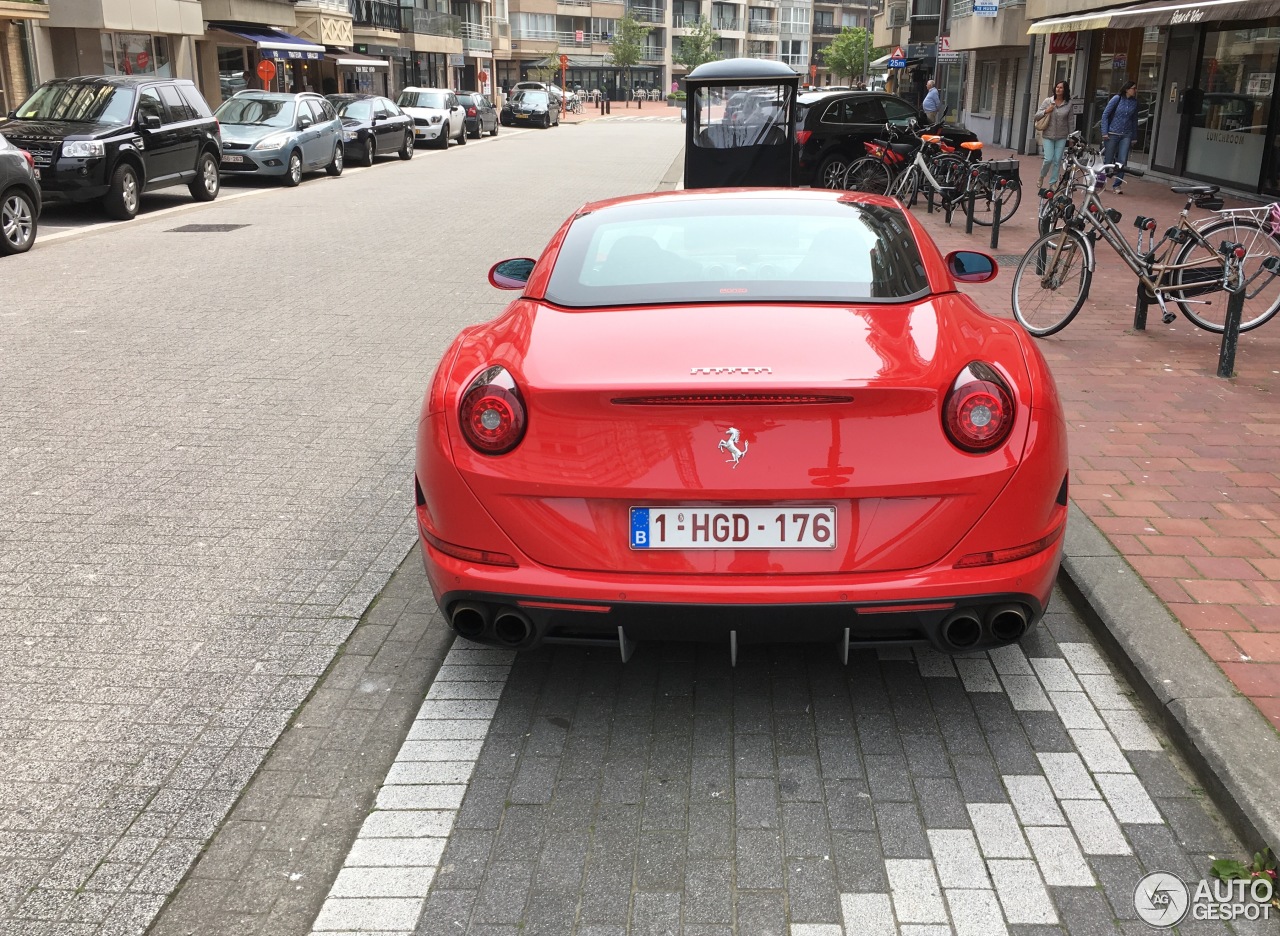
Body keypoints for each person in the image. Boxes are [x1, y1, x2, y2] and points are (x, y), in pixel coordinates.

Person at [1101, 81, 1140, 194]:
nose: (1135, 90)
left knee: (1122, 160)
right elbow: (1105, 115)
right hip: (1112, 133)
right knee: (1108, 160)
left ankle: (1117, 185)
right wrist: (1104, 132)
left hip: (1126, 134)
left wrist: (1134, 136)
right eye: (1133, 88)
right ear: (1127, 89)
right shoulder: (1117, 99)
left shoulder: (1134, 102)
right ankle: (1101, 181)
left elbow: (1134, 120)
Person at [1036, 80, 1074, 189]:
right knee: (1048, 159)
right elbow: (1036, 116)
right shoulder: (1048, 101)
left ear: (1065, 90)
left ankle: (1053, 183)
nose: (1058, 89)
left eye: (1061, 88)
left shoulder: (1069, 104)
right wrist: (1046, 111)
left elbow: (1070, 122)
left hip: (1061, 136)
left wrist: (1071, 137)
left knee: (1057, 160)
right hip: (1048, 135)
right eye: (1057, 87)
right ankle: (1042, 176)